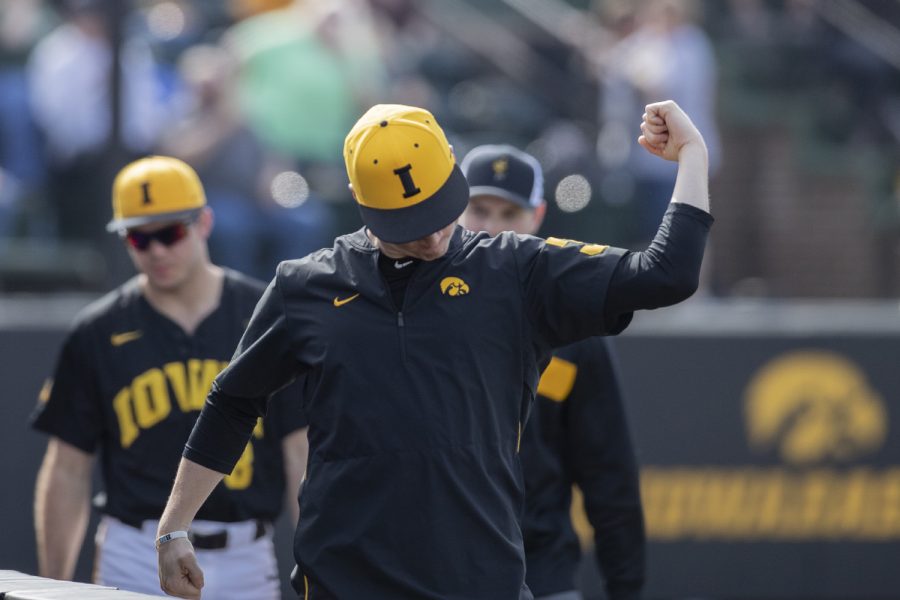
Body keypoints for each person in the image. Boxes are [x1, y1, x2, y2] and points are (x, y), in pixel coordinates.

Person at [156, 100, 712, 600]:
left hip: (480, 584)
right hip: (341, 585)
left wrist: (692, 156)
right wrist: (174, 526)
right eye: (410, 221)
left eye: (441, 206)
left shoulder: (515, 268)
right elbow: (232, 401)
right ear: (359, 202)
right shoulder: (304, 286)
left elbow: (666, 274)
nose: (431, 234)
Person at [31, 156, 308, 599]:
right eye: (139, 237)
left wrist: (318, 569)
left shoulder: (263, 316)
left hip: (244, 554)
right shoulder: (97, 331)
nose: (157, 250)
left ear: (205, 223)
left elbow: (301, 454)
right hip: (135, 553)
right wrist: (53, 586)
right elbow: (66, 470)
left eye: (170, 233)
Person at [460, 144, 645, 600]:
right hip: (440, 572)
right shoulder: (421, 308)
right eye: (479, 210)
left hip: (540, 569)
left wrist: (626, 587)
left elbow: (608, 472)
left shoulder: (575, 329)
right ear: (454, 210)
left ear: (538, 215)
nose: (493, 227)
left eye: (510, 213)